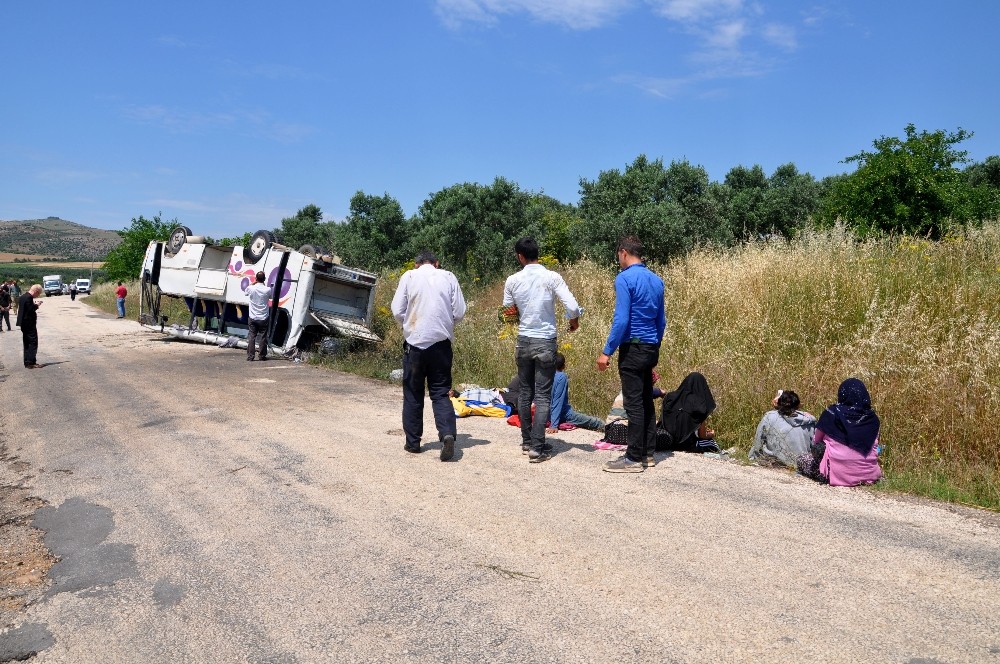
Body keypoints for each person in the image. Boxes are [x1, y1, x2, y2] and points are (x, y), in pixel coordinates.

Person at [503, 237, 581, 463]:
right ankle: (538, 447)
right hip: (545, 341)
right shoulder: (551, 277)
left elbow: (508, 314)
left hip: (523, 341)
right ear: (538, 253)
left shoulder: (512, 280)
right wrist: (573, 321)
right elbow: (572, 306)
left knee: (525, 393)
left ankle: (527, 442)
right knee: (543, 396)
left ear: (520, 256)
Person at [597, 236, 665, 473]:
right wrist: (654, 345)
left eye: (618, 255)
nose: (618, 259)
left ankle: (633, 458)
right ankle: (647, 453)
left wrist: (607, 352)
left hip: (632, 347)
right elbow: (661, 321)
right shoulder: (657, 280)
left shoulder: (624, 278)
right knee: (646, 399)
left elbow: (622, 319)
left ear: (624, 252)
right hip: (650, 347)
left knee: (633, 403)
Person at [391, 251, 466, 461]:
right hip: (441, 344)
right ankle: (447, 434)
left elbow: (397, 310)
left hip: (414, 344)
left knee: (413, 393)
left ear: (416, 265)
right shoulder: (449, 276)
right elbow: (459, 312)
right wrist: (445, 323)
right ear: (437, 263)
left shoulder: (409, 276)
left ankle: (413, 443)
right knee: (441, 392)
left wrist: (411, 324)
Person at [798, 378, 882, 486]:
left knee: (802, 459)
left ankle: (831, 473)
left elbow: (816, 441)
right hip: (869, 475)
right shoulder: (873, 419)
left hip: (835, 474)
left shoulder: (832, 413)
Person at [750, 390, 817, 467]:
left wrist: (753, 457)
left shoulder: (769, 416)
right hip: (800, 465)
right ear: (798, 405)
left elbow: (758, 440)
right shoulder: (809, 421)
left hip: (774, 463)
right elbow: (814, 446)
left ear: (779, 403)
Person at [657, 372, 718, 453]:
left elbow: (662, 421)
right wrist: (711, 434)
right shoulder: (699, 404)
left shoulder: (671, 397)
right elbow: (702, 435)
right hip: (686, 445)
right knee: (713, 444)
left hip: (668, 440)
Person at [547, 353, 605, 432]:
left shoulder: (543, 375)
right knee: (596, 422)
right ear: (564, 366)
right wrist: (554, 425)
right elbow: (558, 401)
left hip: (544, 415)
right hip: (564, 414)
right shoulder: (561, 376)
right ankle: (610, 429)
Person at [245, 271, 271, 361]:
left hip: (252, 317)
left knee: (252, 337)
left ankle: (250, 356)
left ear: (256, 279)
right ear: (264, 279)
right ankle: (262, 356)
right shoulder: (268, 289)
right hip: (264, 317)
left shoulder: (251, 288)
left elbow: (246, 292)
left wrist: (254, 282)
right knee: (263, 337)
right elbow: (270, 297)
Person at [16, 284, 43, 368]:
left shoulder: (23, 296)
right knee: (33, 342)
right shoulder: (29, 297)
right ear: (36, 291)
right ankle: (31, 362)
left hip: (23, 323)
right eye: (38, 294)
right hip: (29, 324)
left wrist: (33, 305)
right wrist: (36, 305)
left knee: (26, 343)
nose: (37, 296)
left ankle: (27, 361)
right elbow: (30, 310)